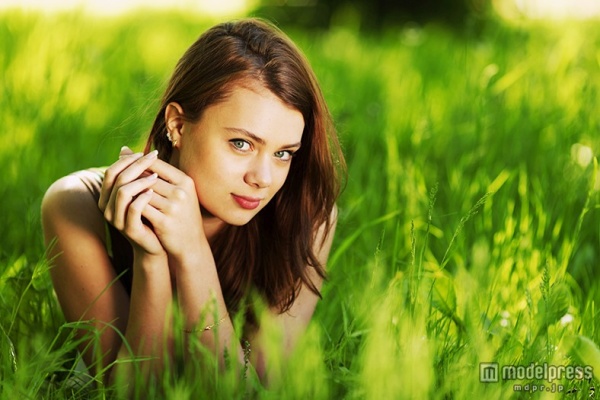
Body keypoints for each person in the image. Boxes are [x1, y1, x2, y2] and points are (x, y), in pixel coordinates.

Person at [41, 18, 345, 388]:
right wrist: (151, 258)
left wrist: (193, 253)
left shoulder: (308, 216)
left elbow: (247, 393)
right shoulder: (76, 206)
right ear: (178, 125)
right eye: (241, 144)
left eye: (283, 153)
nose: (263, 178)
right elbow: (135, 393)